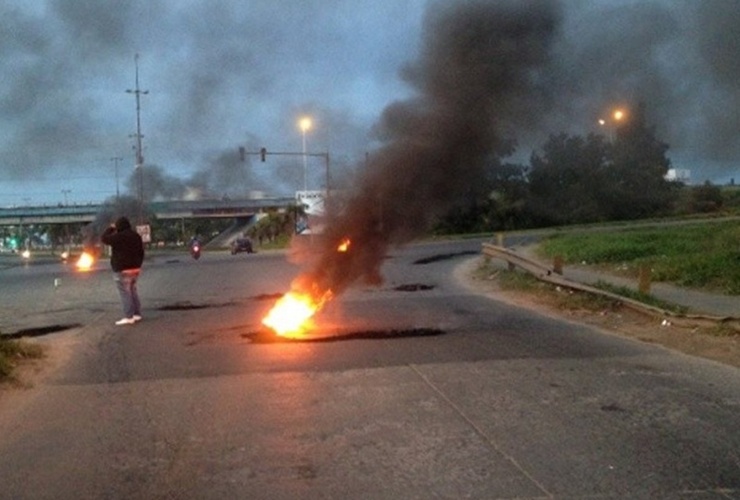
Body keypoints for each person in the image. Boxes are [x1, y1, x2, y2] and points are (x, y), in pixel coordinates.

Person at [101, 216, 145, 326]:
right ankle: (137, 313)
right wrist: (139, 264)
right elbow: (141, 252)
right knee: (132, 290)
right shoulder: (136, 236)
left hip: (122, 269)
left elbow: (104, 238)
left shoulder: (118, 237)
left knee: (125, 292)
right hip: (135, 268)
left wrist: (111, 229)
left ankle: (129, 316)